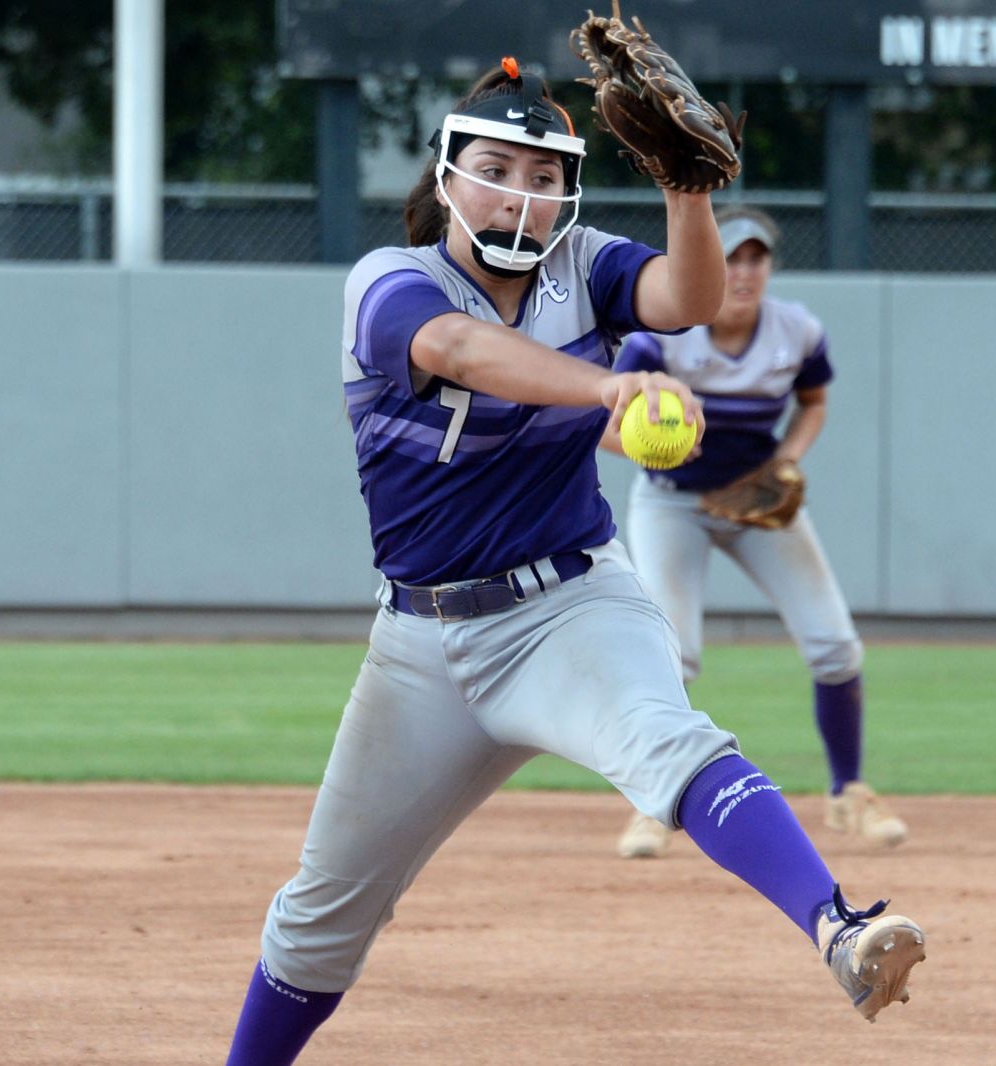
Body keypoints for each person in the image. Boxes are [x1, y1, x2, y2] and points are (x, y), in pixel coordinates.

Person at [224, 63, 924, 1065]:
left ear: (571, 189)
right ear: (449, 179)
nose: (521, 192)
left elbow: (685, 298)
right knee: (319, 915)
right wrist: (606, 391)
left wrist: (689, 190)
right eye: (495, 168)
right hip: (420, 645)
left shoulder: (583, 267)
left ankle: (839, 926)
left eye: (544, 174)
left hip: (567, 607)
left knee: (668, 742)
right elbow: (461, 349)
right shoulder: (390, 280)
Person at [604, 207, 906, 861]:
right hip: (672, 502)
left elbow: (814, 402)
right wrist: (648, 452)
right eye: (730, 258)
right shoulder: (664, 336)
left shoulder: (795, 331)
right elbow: (605, 424)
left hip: (756, 501)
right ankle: (650, 807)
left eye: (754, 259)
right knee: (671, 654)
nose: (742, 272)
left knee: (835, 646)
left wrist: (787, 457)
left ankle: (848, 791)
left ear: (769, 266)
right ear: (709, 264)